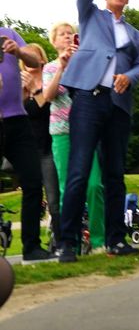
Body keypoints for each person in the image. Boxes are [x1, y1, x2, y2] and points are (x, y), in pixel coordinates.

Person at [57, 0, 139, 262]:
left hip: (118, 107)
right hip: (88, 100)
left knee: (114, 175)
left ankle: (115, 241)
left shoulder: (136, 34)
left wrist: (130, 77)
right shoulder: (91, 16)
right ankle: (67, 243)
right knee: (79, 172)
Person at [43, 22, 105, 251]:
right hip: (62, 133)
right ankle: (71, 243)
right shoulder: (50, 67)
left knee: (94, 185)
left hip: (87, 131)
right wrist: (62, 66)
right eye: (63, 34)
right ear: (54, 41)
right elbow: (48, 96)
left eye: (71, 33)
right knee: (67, 189)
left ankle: (99, 241)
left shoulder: (87, 64)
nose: (68, 37)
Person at [0, 28, 52, 263]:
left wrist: (18, 51)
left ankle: (31, 248)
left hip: (18, 121)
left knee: (33, 181)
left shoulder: (7, 33)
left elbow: (33, 59)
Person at [20, 43, 62, 247]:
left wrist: (35, 89)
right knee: (32, 197)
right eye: (25, 56)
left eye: (33, 55)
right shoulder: (19, 83)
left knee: (54, 198)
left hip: (48, 148)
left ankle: (62, 241)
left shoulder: (48, 78)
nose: (28, 59)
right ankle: (32, 244)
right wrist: (22, 91)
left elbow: (45, 110)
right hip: (28, 149)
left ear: (42, 59)